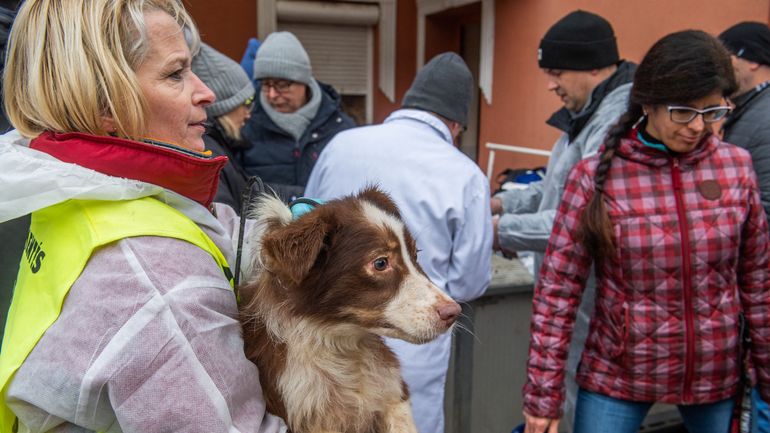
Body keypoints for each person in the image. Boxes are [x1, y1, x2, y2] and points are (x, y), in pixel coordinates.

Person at [0, 1, 286, 432]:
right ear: (106, 106)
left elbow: (209, 228)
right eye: (176, 73)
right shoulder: (160, 279)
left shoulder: (65, 191)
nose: (205, 91)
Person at [522, 30, 770, 433]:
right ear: (648, 104)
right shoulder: (595, 177)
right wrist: (542, 396)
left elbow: (759, 282)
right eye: (684, 112)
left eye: (712, 112)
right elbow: (557, 293)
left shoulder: (736, 167)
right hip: (617, 373)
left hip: (714, 372)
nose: (698, 127)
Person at [305, 52, 493, 433]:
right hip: (412, 341)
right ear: (456, 124)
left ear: (410, 103)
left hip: (328, 335)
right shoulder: (464, 174)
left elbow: (307, 220)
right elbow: (471, 282)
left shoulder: (342, 143)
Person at [492, 10, 635, 427]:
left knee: (574, 409)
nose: (550, 84)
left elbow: (584, 217)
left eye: (556, 72)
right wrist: (501, 204)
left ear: (593, 65)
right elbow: (555, 187)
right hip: (571, 300)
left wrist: (498, 230)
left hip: (594, 304)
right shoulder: (587, 116)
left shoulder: (617, 123)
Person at [719, 21, 770, 433]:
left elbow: (763, 210)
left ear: (751, 59)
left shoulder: (765, 117)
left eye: (727, 56)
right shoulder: (751, 110)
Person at [240, 31, 355, 202]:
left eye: (281, 85)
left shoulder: (341, 128)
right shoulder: (245, 127)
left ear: (304, 82)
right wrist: (305, 197)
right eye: (265, 84)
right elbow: (240, 191)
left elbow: (353, 186)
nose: (271, 94)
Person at [192, 42, 257, 215]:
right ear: (224, 105)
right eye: (247, 103)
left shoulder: (220, 143)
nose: (249, 113)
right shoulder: (209, 153)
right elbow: (225, 228)